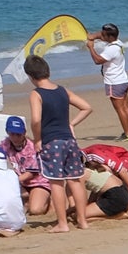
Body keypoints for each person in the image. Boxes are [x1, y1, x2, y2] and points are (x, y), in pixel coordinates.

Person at [23, 53, 93, 230]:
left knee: (56, 182)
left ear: (30, 76)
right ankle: (83, 220)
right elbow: (86, 107)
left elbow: (36, 120)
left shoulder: (36, 94)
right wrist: (71, 124)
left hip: (51, 141)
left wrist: (37, 138)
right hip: (69, 140)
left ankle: (63, 223)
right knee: (75, 181)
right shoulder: (62, 90)